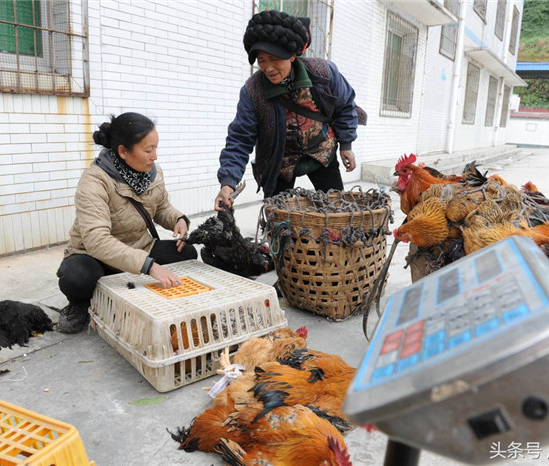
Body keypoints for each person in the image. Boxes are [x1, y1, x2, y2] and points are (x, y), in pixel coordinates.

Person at [56, 112, 197, 333]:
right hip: (95, 257)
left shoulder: (153, 172)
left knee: (187, 253)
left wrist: (178, 220)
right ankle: (80, 304)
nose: (155, 156)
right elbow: (97, 240)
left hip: (138, 248)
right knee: (77, 278)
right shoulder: (94, 181)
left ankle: (128, 287)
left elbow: (161, 207)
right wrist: (149, 266)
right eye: (148, 150)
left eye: (156, 148)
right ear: (123, 151)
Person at [215, 9, 361, 211]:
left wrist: (346, 144)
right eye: (262, 60)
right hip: (279, 164)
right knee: (278, 223)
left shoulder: (323, 73)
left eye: (274, 58)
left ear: (292, 55)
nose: (268, 68)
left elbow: (346, 105)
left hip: (322, 153)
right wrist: (228, 182)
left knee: (337, 213)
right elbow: (240, 138)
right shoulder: (252, 91)